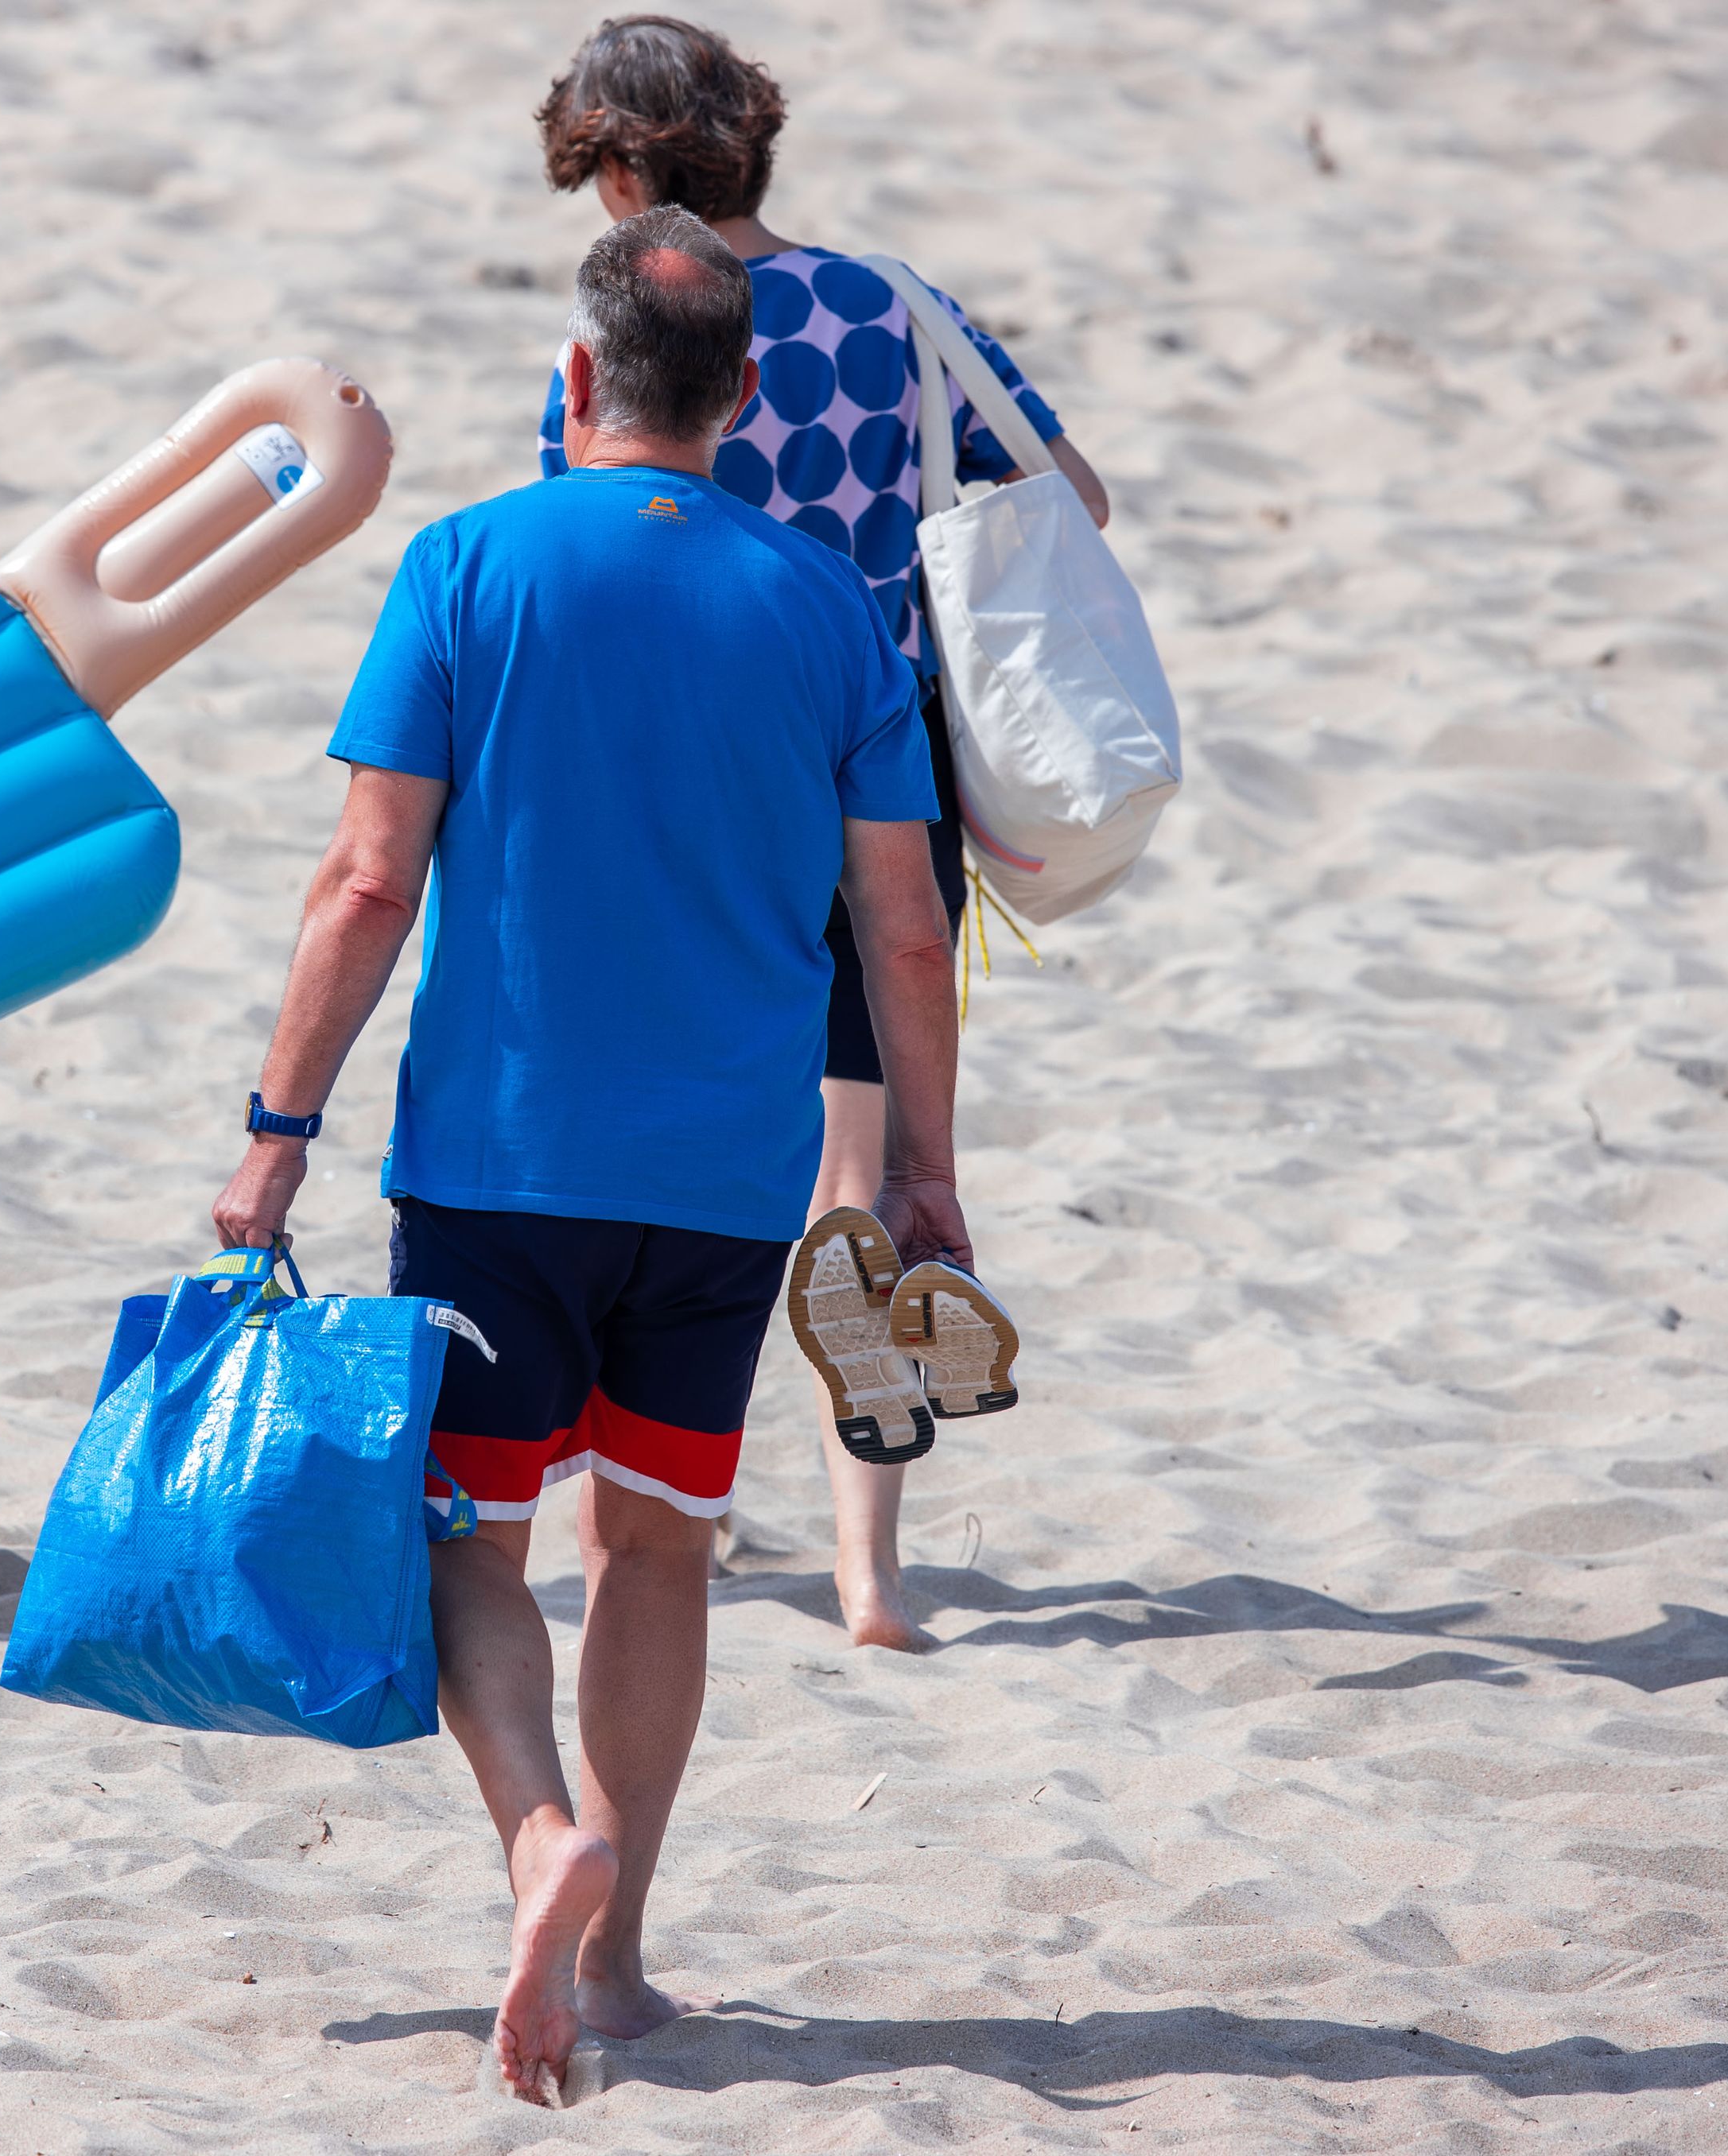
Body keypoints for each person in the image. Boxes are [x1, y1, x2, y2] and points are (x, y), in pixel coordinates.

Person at [211, 209, 973, 2101]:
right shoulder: (824, 609)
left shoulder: (465, 560)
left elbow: (367, 878)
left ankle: (543, 1836)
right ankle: (622, 1963)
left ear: (571, 387)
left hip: (494, 1158)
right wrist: (924, 1176)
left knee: (469, 1541)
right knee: (657, 1546)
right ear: (737, 398)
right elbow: (898, 927)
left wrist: (276, 1135)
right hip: (723, 1175)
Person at [536, 15, 1106, 1650]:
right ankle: (870, 1579)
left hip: (674, 791)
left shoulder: (624, 321)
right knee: (858, 1175)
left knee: (638, 1146)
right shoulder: (886, 304)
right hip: (873, 773)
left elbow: (582, 548)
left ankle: (639, 1519)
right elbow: (1070, 491)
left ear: (627, 167)